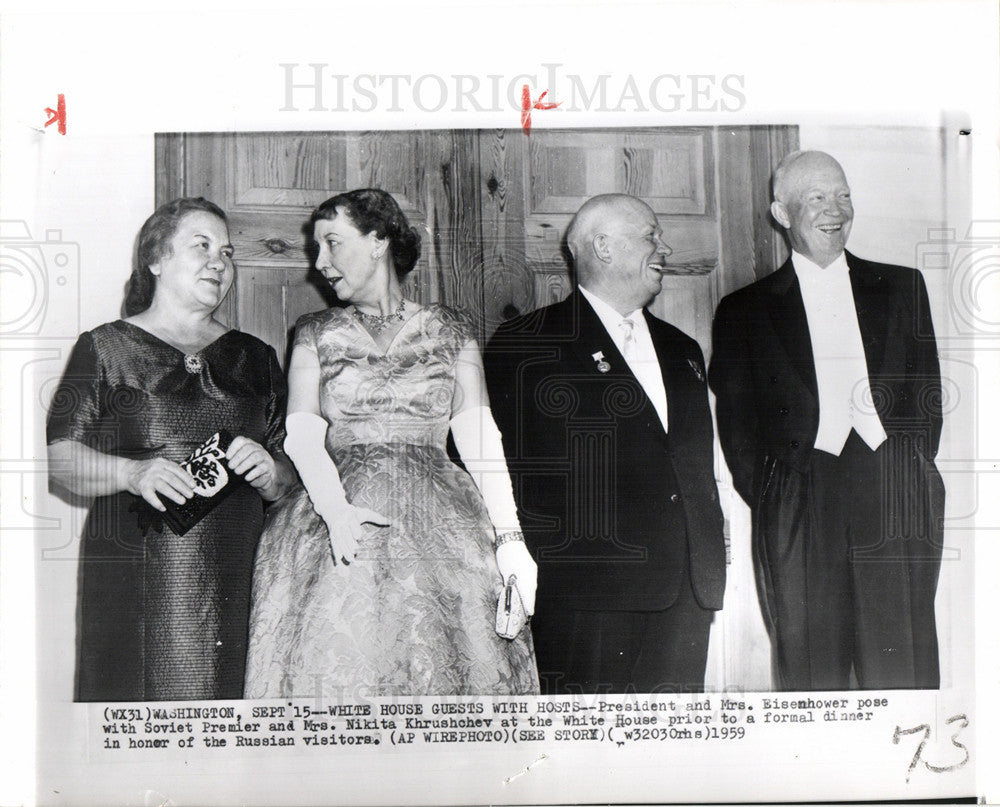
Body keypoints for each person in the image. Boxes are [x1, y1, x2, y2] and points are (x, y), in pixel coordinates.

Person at [244, 188, 538, 697]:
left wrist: (512, 542)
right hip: (331, 524)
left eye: (333, 243)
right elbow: (302, 437)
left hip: (442, 531)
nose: (321, 263)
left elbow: (479, 436)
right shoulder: (315, 331)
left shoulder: (452, 329)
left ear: (378, 240)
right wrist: (336, 511)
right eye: (317, 248)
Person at [709, 150, 944, 690]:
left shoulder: (904, 287)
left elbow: (927, 396)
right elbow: (738, 426)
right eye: (816, 197)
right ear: (782, 213)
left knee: (902, 660)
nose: (834, 209)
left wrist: (908, 467)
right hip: (801, 495)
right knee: (812, 669)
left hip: (893, 491)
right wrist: (778, 492)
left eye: (842, 195)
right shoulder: (743, 310)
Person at [47, 197, 296, 701]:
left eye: (227, 253)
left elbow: (289, 471)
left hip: (238, 573)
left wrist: (272, 474)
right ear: (156, 260)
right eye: (201, 246)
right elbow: (61, 460)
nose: (218, 262)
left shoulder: (256, 357)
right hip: (137, 576)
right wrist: (132, 474)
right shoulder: (105, 347)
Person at [484, 194, 726, 695]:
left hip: (686, 592)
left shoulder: (683, 349)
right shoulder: (528, 342)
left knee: (670, 757)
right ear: (603, 246)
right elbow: (499, 464)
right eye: (651, 235)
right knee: (584, 760)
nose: (666, 247)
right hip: (589, 595)